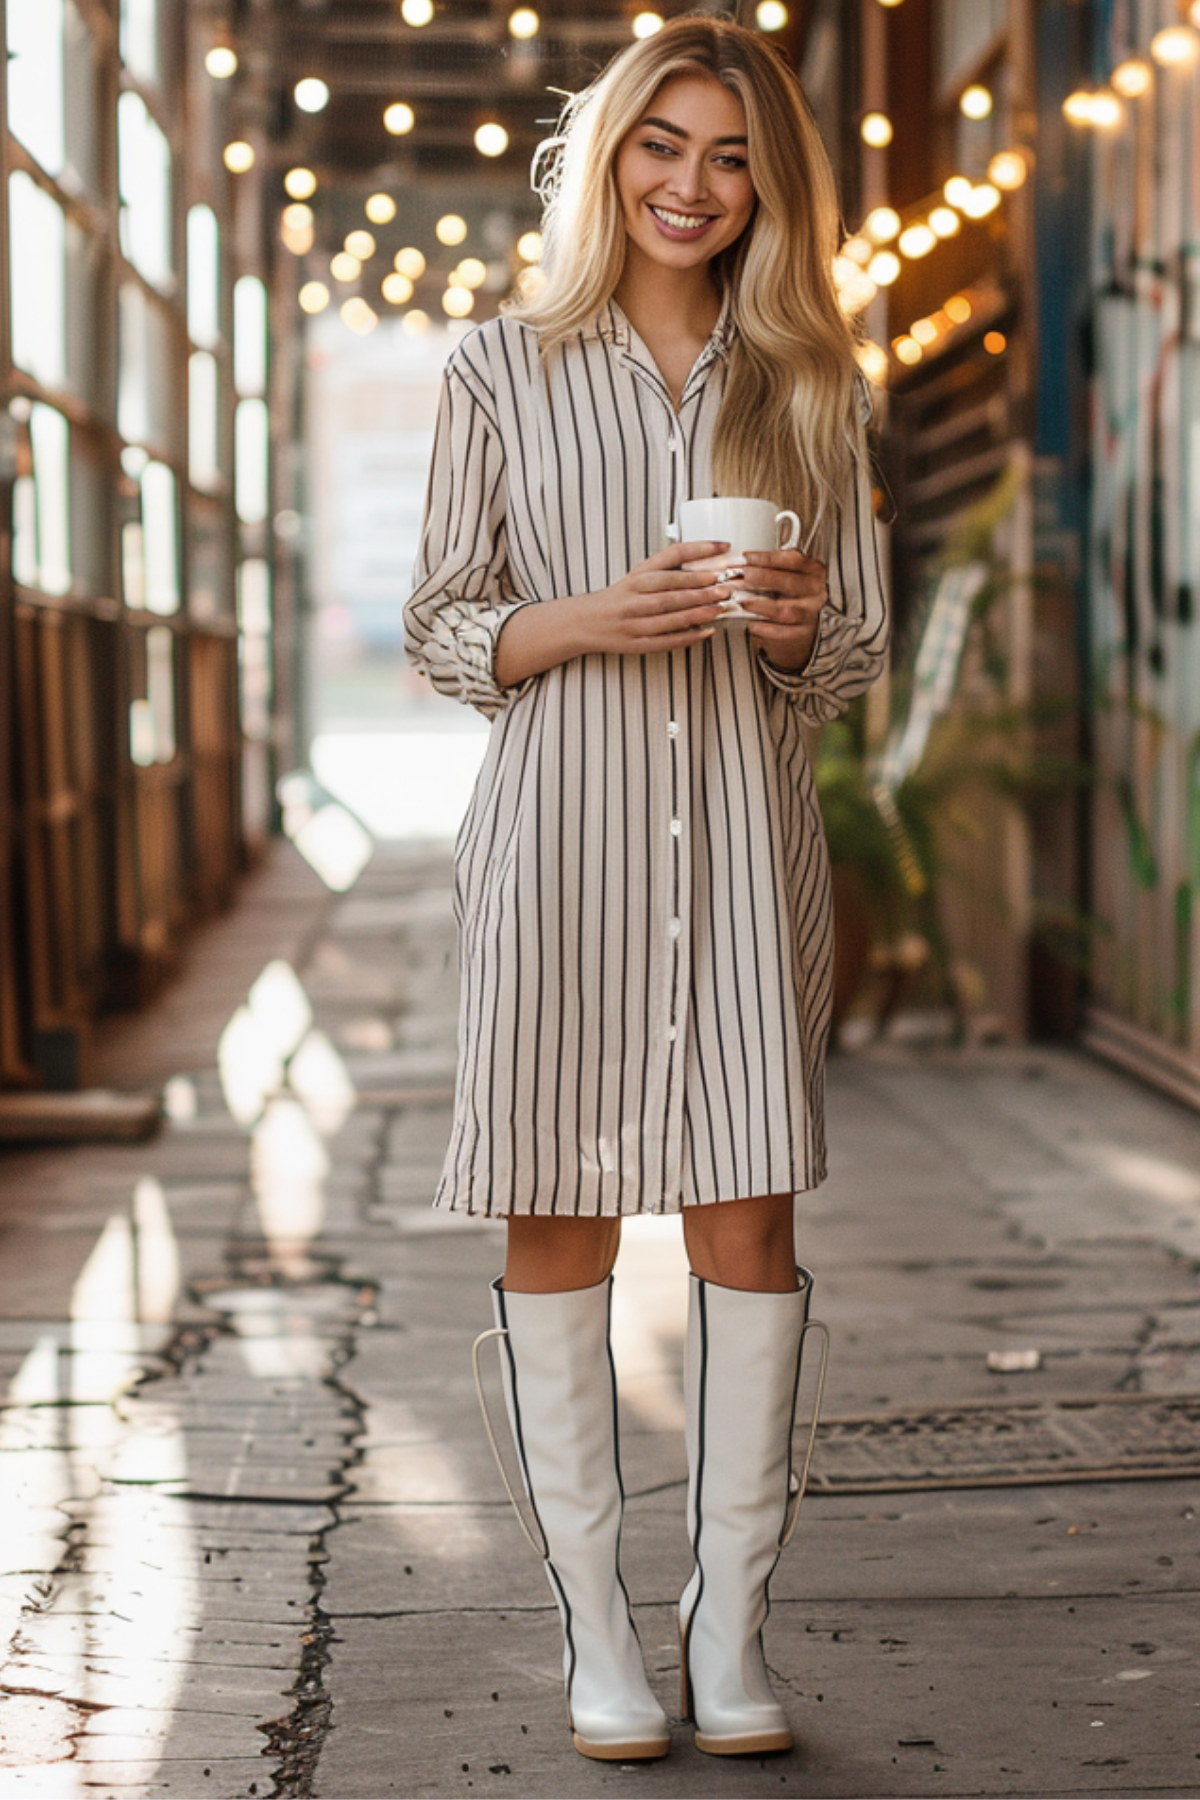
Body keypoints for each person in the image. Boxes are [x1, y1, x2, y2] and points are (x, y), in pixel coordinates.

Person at [403, 11, 888, 1765]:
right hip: (561, 863)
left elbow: (854, 663)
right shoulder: (497, 367)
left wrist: (794, 625)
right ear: (609, 158)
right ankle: (597, 1622)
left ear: (774, 184)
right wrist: (585, 620)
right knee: (561, 1219)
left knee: (750, 1228)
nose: (695, 183)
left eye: (735, 153)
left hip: (750, 873)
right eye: (664, 144)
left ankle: (730, 1622)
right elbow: (446, 623)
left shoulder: (814, 382)